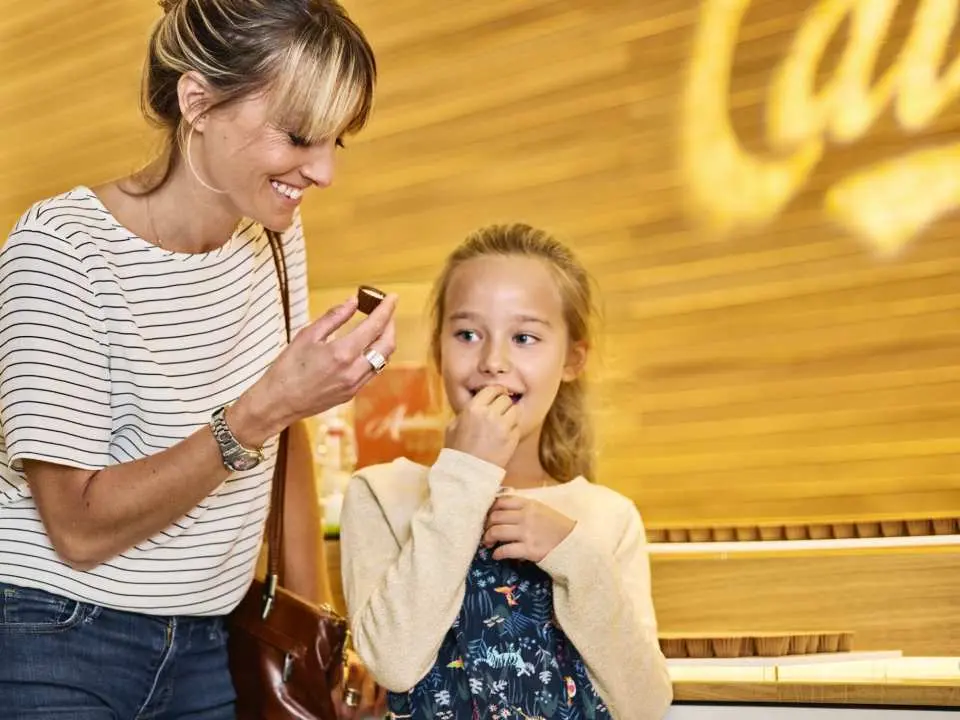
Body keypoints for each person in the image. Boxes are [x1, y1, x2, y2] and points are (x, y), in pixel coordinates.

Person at [0, 0, 390, 716]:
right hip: (55, 633)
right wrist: (261, 410)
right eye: (301, 136)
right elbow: (79, 529)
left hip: (212, 639)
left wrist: (321, 631)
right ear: (198, 101)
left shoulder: (271, 239)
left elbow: (286, 436)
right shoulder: (60, 250)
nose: (325, 171)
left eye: (337, 140)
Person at [339, 224, 674, 719]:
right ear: (438, 350)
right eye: (467, 334)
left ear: (572, 359)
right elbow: (393, 662)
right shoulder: (381, 494)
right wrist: (465, 477)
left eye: (524, 337)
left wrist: (573, 554)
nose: (493, 361)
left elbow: (645, 704)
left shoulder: (608, 517)